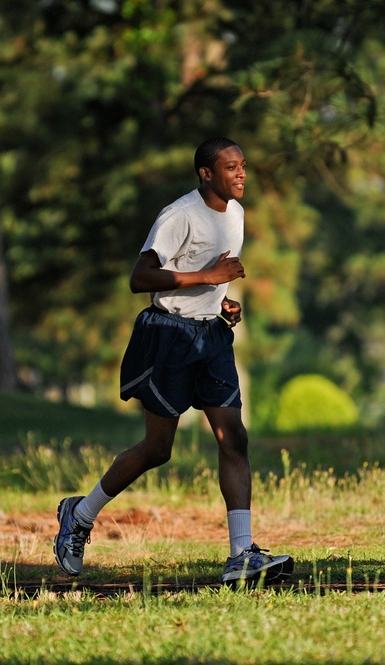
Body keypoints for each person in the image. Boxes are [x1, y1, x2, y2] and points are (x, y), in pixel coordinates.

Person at [53, 137, 293, 585]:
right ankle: (80, 515)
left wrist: (223, 300)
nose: (241, 174)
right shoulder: (179, 215)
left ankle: (241, 553)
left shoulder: (236, 214)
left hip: (213, 337)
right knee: (158, 449)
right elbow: (140, 277)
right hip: (169, 338)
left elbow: (213, 279)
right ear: (206, 174)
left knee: (233, 437)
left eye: (243, 166)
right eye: (230, 167)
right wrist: (209, 278)